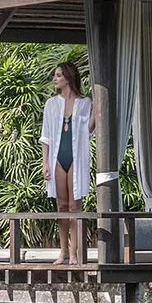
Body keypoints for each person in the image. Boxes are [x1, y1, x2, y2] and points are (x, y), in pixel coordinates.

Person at [42, 60, 91, 261]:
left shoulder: (84, 102)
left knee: (75, 206)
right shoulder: (51, 104)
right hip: (57, 158)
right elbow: (45, 136)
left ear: (69, 77)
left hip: (76, 158)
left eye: (59, 75)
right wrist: (45, 162)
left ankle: (74, 253)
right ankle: (62, 251)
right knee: (61, 206)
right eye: (55, 75)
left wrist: (98, 108)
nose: (55, 79)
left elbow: (90, 129)